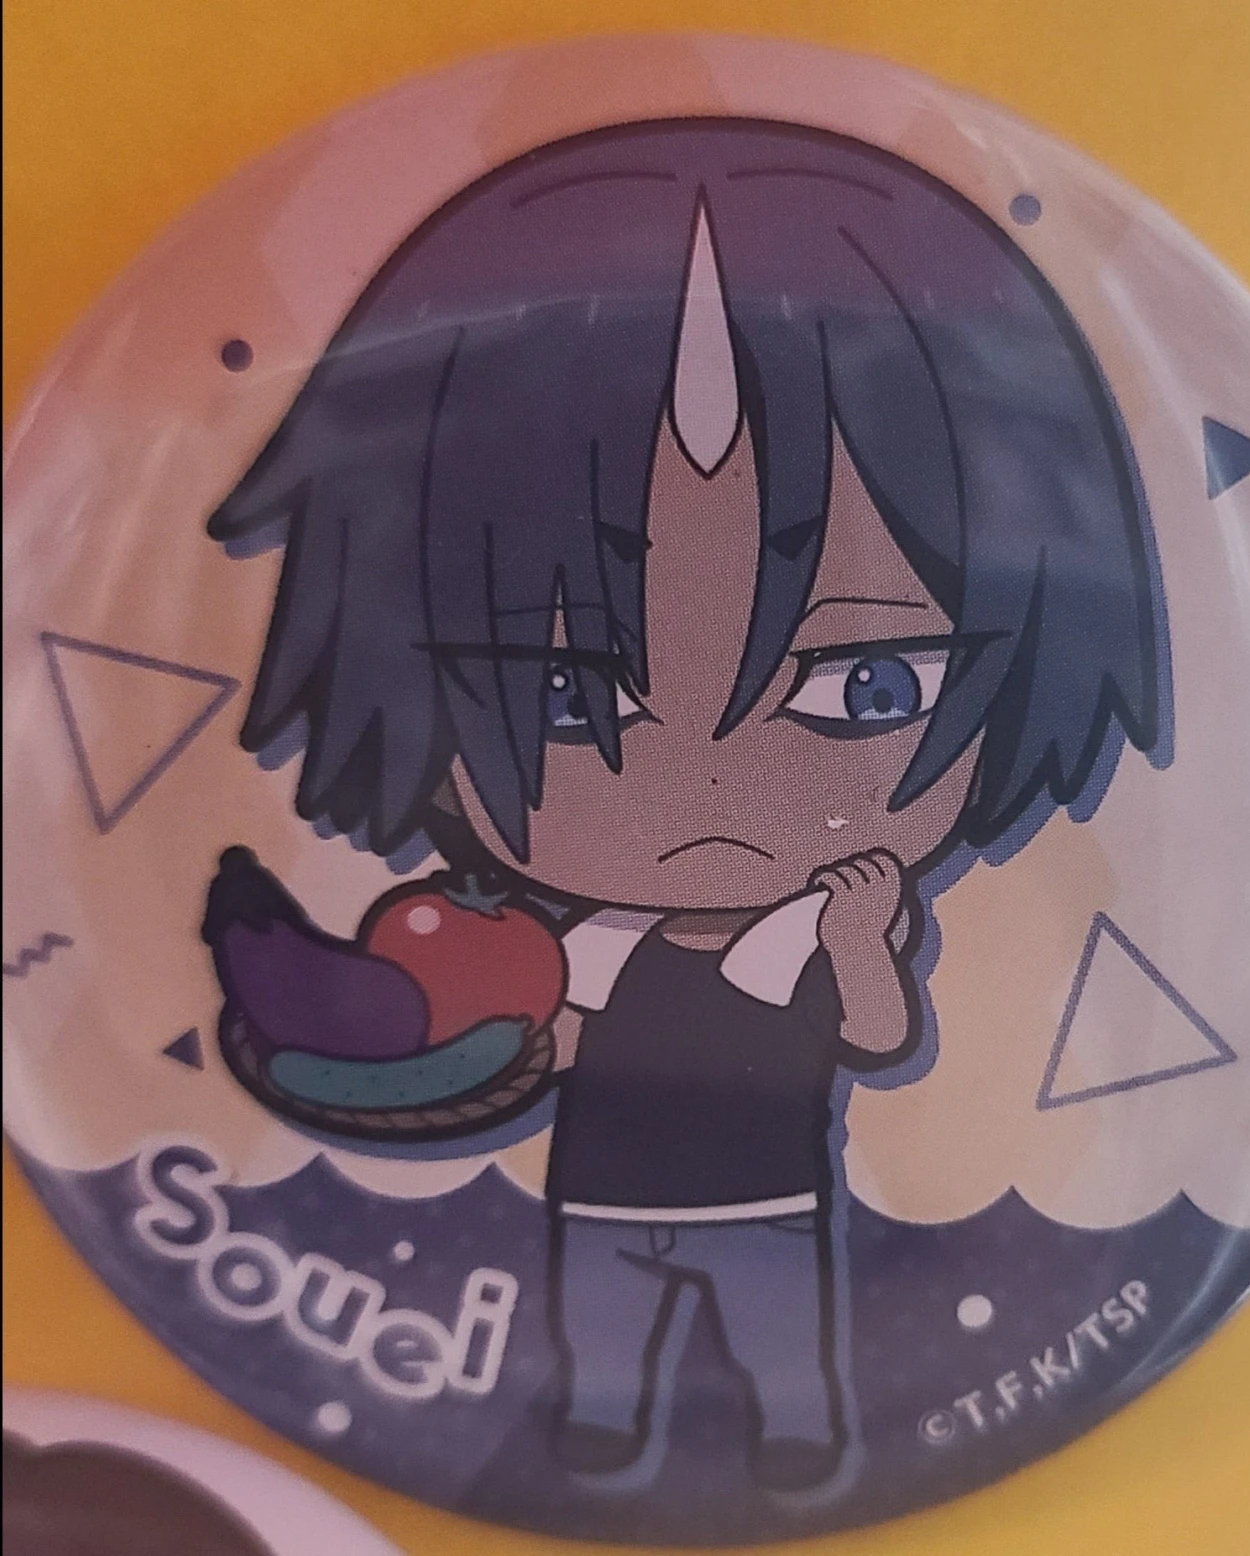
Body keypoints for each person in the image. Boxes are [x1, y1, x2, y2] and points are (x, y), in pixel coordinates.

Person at [205, 118, 1170, 1490]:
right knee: (604, 1336)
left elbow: (881, 1030)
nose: (707, 778)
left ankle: (801, 1435)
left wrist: (858, 941)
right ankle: (604, 1424)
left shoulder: (819, 931)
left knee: (777, 1342)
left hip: (765, 1199)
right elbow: (557, 1029)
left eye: (867, 685)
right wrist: (444, 1046)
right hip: (604, 1194)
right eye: (565, 693)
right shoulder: (586, 940)